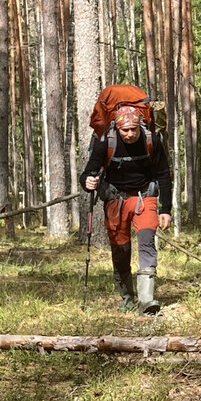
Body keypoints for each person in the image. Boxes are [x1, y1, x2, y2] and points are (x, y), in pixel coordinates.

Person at [79, 104, 173, 313]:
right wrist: (88, 182)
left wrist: (166, 209)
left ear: (140, 126)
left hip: (144, 198)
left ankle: (147, 300)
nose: (130, 134)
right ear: (117, 129)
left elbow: (164, 175)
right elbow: (88, 173)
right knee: (121, 250)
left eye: (134, 129)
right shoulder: (106, 142)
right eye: (125, 130)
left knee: (147, 243)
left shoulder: (151, 141)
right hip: (115, 200)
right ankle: (127, 297)